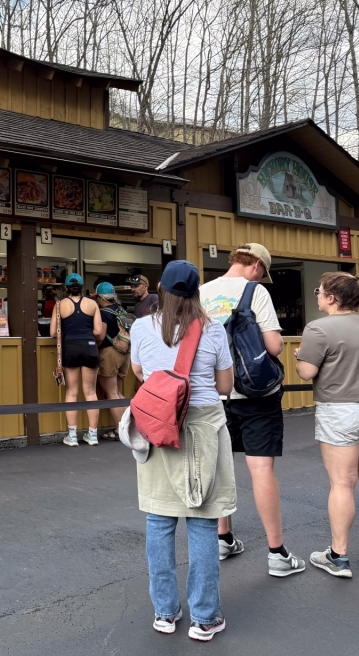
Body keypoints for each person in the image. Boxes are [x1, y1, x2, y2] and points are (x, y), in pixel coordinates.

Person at [130, 260, 235, 641]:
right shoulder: (213, 329)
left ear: (160, 288)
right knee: (203, 521)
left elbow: (142, 374)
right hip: (204, 426)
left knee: (159, 521)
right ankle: (205, 617)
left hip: (158, 426)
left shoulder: (142, 327)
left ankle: (165, 613)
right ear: (196, 292)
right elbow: (225, 386)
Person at [199, 242, 304, 577]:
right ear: (257, 265)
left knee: (219, 465)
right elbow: (273, 345)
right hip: (255, 393)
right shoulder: (255, 291)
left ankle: (222, 539)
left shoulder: (200, 293)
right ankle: (277, 554)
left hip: (214, 394)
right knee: (260, 469)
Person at [296, 272, 359, 579]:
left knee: (342, 483)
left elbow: (305, 372)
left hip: (340, 409)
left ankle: (338, 557)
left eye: (319, 291)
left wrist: (302, 355)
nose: (317, 295)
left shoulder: (318, 328)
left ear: (331, 298)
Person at [50, 273, 104, 446]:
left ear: (65, 288)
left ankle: (72, 436)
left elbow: (52, 333)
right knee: (90, 392)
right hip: (89, 346)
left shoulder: (60, 305)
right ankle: (93, 435)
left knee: (71, 392)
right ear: (81, 287)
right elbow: (97, 331)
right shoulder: (93, 304)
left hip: (70, 347)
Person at [95, 281, 130, 435]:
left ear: (101, 298)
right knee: (117, 392)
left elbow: (101, 336)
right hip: (125, 353)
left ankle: (120, 430)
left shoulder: (104, 313)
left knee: (111, 394)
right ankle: (128, 427)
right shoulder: (121, 309)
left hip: (110, 353)